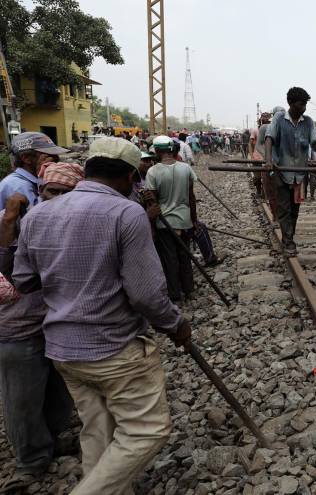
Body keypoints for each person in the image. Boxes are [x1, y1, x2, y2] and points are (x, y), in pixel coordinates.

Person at [13, 137, 191, 495]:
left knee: (98, 430)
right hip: (114, 349)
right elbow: (145, 294)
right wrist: (175, 324)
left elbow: (24, 280)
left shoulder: (38, 214)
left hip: (63, 350)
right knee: (147, 429)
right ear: (128, 177)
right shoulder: (126, 214)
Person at [0, 163, 82, 491]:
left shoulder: (68, 226)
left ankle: (52, 440)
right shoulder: (17, 223)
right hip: (16, 328)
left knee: (56, 391)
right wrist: (9, 221)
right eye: (53, 192)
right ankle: (30, 460)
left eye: (66, 194)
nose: (58, 200)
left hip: (53, 322)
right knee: (22, 398)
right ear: (40, 192)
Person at [264, 88, 316, 256]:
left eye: (305, 104)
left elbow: (315, 141)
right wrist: (268, 161)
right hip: (281, 171)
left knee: (295, 209)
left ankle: (289, 235)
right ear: (291, 103)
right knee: (284, 208)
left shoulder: (308, 122)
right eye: (301, 104)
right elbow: (269, 138)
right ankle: (288, 241)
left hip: (299, 175)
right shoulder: (279, 118)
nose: (304, 107)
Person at [145, 135, 198, 302]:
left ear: (158, 151)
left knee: (170, 258)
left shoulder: (153, 172)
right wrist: (194, 220)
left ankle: (174, 293)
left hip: (164, 223)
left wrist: (151, 225)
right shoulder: (186, 168)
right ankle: (188, 289)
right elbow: (191, 197)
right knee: (184, 254)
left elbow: (152, 202)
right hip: (184, 220)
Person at [1, 132, 68, 207]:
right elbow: (39, 214)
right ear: (26, 158)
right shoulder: (19, 186)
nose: (56, 159)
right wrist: (42, 177)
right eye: (48, 155)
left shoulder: (32, 180)